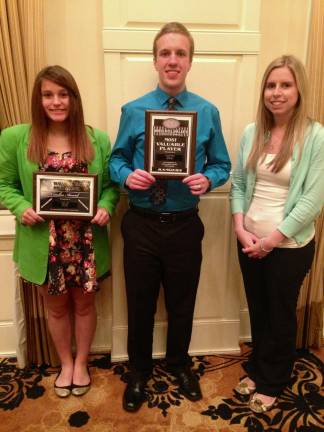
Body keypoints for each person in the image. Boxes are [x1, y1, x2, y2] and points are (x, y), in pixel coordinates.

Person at [109, 22, 231, 412]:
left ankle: (179, 364)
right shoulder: (133, 110)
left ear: (190, 61)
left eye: (180, 53)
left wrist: (207, 179)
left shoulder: (207, 112)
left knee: (182, 302)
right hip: (141, 222)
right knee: (140, 303)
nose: (172, 60)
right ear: (155, 59)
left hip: (184, 224)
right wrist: (127, 175)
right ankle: (140, 371)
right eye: (165, 53)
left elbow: (223, 165)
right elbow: (115, 159)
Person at [0, 65, 119, 398]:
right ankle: (64, 363)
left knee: (83, 306)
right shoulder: (15, 138)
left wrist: (106, 207)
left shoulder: (97, 139)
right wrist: (19, 206)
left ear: (74, 98)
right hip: (44, 242)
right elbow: (4, 184)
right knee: (55, 308)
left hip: (85, 243)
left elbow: (110, 188)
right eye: (48, 94)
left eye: (63, 94)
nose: (56, 102)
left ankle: (81, 362)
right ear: (38, 99)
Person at [230, 55, 324, 413]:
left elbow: (313, 201)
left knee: (280, 313)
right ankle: (257, 367)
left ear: (299, 89)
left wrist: (271, 241)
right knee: (258, 309)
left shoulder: (316, 137)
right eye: (271, 85)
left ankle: (273, 379)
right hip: (249, 240)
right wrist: (240, 228)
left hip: (288, 246)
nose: (277, 93)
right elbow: (239, 184)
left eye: (285, 85)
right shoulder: (253, 132)